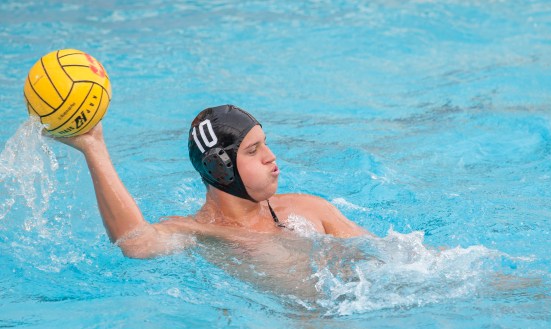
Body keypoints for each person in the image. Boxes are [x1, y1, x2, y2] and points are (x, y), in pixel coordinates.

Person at [55, 104, 369, 260]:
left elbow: (387, 253)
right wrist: (93, 147)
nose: (271, 157)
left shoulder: (311, 208)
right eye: (253, 150)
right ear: (221, 167)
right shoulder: (201, 234)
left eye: (265, 144)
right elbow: (135, 243)